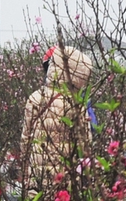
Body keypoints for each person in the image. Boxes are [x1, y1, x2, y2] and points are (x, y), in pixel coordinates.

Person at [22, 44, 96, 185]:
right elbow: (85, 145)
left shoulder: (35, 98)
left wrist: (27, 174)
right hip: (67, 180)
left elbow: (25, 140)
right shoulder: (77, 105)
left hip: (38, 178)